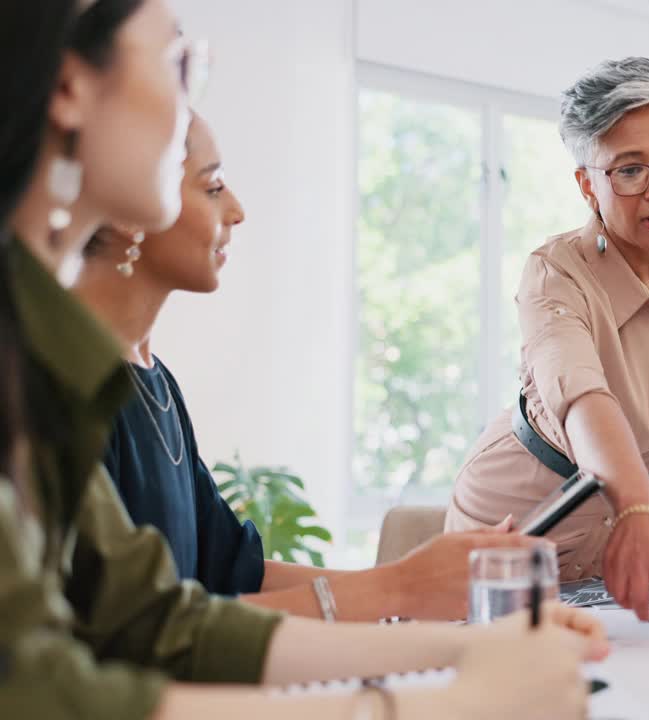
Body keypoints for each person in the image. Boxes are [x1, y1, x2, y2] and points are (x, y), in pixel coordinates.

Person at [0, 2, 605, 719]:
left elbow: (158, 621)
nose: (189, 100)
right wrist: (434, 705)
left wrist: (457, 653)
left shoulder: (48, 354)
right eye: (176, 61)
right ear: (71, 88)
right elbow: (40, 691)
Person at [75, 113, 544, 621]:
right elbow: (143, 632)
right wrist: (398, 588)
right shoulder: (71, 392)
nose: (237, 210)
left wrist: (418, 584)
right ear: (128, 209)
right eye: (212, 187)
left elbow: (235, 571)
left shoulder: (154, 381)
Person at [445, 57, 649, 620]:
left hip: (633, 538)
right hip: (521, 521)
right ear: (587, 185)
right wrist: (641, 507)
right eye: (630, 171)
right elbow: (583, 400)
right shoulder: (555, 273)